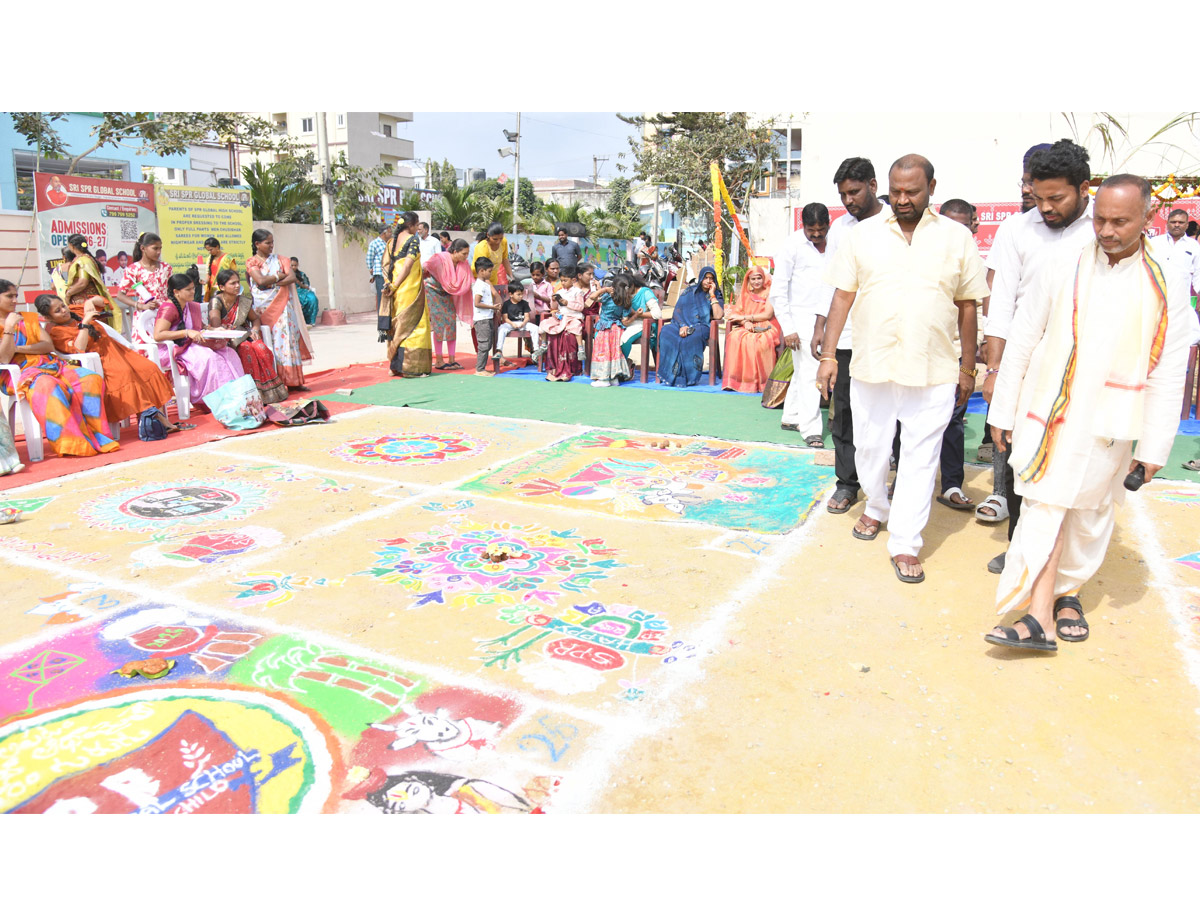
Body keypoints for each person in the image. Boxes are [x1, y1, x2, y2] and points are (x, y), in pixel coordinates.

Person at [985, 175, 1194, 651]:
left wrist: (1156, 445)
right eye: (1100, 218)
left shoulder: (1166, 282)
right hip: (1049, 410)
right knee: (1046, 505)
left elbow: (1168, 367)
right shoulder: (1065, 262)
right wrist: (1003, 410)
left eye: (1121, 221)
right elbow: (1022, 337)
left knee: (1090, 513)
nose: (1106, 230)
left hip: (1112, 422)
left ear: (1147, 219)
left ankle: (1067, 594)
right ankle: (1038, 613)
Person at [818, 154, 987, 584]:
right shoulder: (862, 236)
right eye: (895, 191)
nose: (902, 199)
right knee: (871, 449)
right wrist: (826, 357)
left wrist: (968, 368)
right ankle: (876, 506)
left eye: (912, 191)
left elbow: (969, 305)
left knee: (920, 457)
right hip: (872, 364)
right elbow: (842, 296)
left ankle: (906, 541)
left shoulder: (956, 238)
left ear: (932, 186)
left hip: (934, 368)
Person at [978, 140, 1095, 574]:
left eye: (1056, 198)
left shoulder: (1099, 229)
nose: (1044, 207)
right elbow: (1002, 306)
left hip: (1082, 368)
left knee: (1073, 466)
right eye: (1037, 196)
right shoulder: (1016, 230)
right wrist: (994, 369)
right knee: (1016, 456)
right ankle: (1019, 549)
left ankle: (1063, 564)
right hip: (1025, 365)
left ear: (1083, 188)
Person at [814, 158, 887, 514]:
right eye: (843, 195)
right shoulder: (841, 229)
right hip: (845, 340)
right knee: (842, 414)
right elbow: (832, 284)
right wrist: (820, 327)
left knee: (889, 415)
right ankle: (847, 483)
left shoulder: (897, 222)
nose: (849, 200)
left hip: (885, 338)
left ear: (872, 185)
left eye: (854, 192)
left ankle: (895, 482)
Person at [0, 282, 118, 458]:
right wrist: (9, 329)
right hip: (19, 374)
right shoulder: (10, 323)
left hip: (51, 365)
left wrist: (17, 349)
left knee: (90, 379)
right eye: (10, 296)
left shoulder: (26, 318)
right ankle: (71, 443)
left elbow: (47, 345)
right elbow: (3, 358)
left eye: (16, 295)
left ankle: (98, 436)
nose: (15, 300)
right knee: (48, 386)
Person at [37, 294, 184, 433]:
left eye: (63, 306)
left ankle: (151, 419)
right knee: (125, 374)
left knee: (148, 368)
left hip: (116, 350)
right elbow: (78, 349)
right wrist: (85, 323)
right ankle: (157, 421)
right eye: (57, 311)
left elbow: (103, 301)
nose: (64, 311)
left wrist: (90, 302)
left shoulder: (76, 311)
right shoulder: (57, 332)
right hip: (98, 360)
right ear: (48, 317)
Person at [770, 202, 831, 447]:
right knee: (810, 373)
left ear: (829, 224)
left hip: (829, 318)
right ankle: (811, 429)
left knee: (803, 370)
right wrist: (788, 327)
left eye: (821, 230)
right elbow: (779, 290)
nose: (816, 235)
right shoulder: (792, 245)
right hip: (801, 321)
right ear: (802, 226)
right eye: (811, 230)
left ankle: (792, 415)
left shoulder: (836, 242)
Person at [153, 271, 245, 406]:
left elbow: (200, 327)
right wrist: (186, 332)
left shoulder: (190, 305)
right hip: (174, 348)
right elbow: (158, 335)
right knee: (210, 357)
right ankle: (213, 400)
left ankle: (237, 396)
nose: (192, 292)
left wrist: (216, 330)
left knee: (229, 353)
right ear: (176, 292)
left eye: (193, 288)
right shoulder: (168, 308)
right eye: (188, 289)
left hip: (192, 344)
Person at [245, 229, 314, 388]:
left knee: (288, 340)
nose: (271, 246)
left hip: (284, 307)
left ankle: (293, 381)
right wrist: (279, 276)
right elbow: (260, 280)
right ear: (257, 244)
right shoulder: (252, 262)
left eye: (272, 242)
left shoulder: (281, 259)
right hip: (264, 308)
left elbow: (292, 277)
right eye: (267, 243)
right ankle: (276, 382)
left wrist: (273, 282)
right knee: (271, 343)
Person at [209, 269, 288, 404]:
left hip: (244, 333)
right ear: (222, 287)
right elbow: (216, 325)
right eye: (232, 283)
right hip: (227, 339)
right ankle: (252, 393)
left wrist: (255, 329)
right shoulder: (216, 301)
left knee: (261, 347)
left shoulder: (243, 301)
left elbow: (255, 319)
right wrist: (225, 329)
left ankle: (271, 392)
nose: (237, 286)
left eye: (238, 282)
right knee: (246, 348)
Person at [376, 213, 431, 378]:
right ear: (412, 225)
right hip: (409, 289)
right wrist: (395, 285)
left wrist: (389, 285)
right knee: (415, 326)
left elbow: (385, 265)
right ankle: (412, 368)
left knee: (397, 326)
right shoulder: (413, 240)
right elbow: (407, 266)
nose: (417, 229)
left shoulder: (392, 242)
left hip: (395, 290)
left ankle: (395, 366)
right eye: (417, 226)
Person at [658, 266, 722, 387]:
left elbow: (718, 315)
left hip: (701, 326)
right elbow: (677, 312)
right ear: (701, 278)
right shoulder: (689, 291)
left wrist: (712, 295)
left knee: (691, 337)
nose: (708, 281)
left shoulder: (717, 294)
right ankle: (670, 374)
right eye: (706, 278)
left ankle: (688, 377)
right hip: (681, 324)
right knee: (666, 331)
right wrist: (683, 325)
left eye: (711, 278)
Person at [722, 265, 780, 394]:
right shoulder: (746, 295)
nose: (756, 282)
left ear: (763, 278)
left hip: (767, 327)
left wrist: (746, 318)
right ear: (748, 281)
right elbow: (735, 314)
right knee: (735, 337)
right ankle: (738, 381)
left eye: (759, 278)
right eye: (753, 279)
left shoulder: (769, 292)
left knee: (758, 341)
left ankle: (759, 382)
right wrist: (745, 322)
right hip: (748, 325)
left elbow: (767, 315)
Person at [424, 237, 474, 370]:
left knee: (451, 323)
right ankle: (439, 360)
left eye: (467, 254)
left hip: (447, 294)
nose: (466, 257)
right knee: (439, 324)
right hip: (433, 291)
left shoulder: (463, 264)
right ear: (455, 251)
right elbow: (425, 268)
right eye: (463, 254)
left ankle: (452, 360)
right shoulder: (439, 258)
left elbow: (470, 281)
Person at [62, 234, 127, 333]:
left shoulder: (83, 261)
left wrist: (68, 294)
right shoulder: (85, 259)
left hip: (86, 304)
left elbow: (82, 282)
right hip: (83, 303)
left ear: (72, 246)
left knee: (88, 332)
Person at [538, 267, 586, 382]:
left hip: (574, 317)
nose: (563, 283)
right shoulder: (559, 292)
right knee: (546, 324)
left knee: (568, 333)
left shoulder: (578, 292)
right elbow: (554, 308)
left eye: (565, 280)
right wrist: (554, 301)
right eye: (562, 280)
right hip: (561, 318)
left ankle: (580, 350)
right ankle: (544, 347)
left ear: (573, 280)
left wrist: (567, 303)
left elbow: (580, 307)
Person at [589, 274, 633, 387]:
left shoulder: (608, 296)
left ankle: (603, 379)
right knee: (614, 354)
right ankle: (614, 378)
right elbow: (624, 320)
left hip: (605, 329)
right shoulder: (626, 300)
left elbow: (592, 297)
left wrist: (603, 289)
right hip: (617, 329)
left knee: (603, 352)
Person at [116, 232, 171, 319]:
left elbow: (172, 291)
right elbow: (120, 295)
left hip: (164, 314)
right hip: (144, 316)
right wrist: (141, 306)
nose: (158, 252)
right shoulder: (133, 269)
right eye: (155, 248)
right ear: (143, 248)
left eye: (160, 248)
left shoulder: (166, 268)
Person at [1149, 208, 1200, 296]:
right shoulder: (1155, 242)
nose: (1177, 225)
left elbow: (1198, 274)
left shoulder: (1193, 245)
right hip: (1157, 296)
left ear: (1187, 225)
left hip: (1183, 298)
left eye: (1181, 222)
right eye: (1173, 222)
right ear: (1167, 223)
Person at [619, 273, 662, 363]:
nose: (625, 293)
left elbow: (657, 314)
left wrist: (637, 314)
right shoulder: (622, 293)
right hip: (625, 322)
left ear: (633, 285)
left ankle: (622, 365)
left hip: (642, 324)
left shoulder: (645, 293)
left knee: (624, 340)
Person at [472, 257, 501, 376]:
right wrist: (492, 307)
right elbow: (477, 303)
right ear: (481, 271)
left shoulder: (485, 284)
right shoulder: (479, 285)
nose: (491, 273)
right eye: (489, 271)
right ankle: (479, 369)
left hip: (487, 317)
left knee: (487, 344)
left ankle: (481, 368)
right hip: (481, 319)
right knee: (484, 344)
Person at [472, 224, 514, 307]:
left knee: (492, 306)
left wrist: (511, 277)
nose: (498, 241)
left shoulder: (504, 242)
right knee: (481, 305)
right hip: (479, 279)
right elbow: (483, 274)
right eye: (495, 239)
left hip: (493, 279)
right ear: (488, 235)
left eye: (500, 238)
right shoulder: (482, 247)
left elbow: (504, 259)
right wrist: (495, 294)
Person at [496, 282, 539, 361]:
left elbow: (527, 317)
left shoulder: (524, 303)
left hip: (523, 323)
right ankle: (499, 350)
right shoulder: (506, 304)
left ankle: (536, 350)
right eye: (518, 294)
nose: (521, 296)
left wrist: (523, 323)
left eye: (522, 294)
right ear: (511, 294)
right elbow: (505, 318)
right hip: (510, 323)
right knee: (501, 329)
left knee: (535, 328)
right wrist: (512, 324)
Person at [201, 238, 238, 304]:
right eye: (208, 251)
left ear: (217, 247)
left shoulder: (228, 258)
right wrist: (205, 281)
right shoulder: (209, 259)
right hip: (212, 291)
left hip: (225, 290)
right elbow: (208, 274)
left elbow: (235, 275)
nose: (209, 252)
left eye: (211, 250)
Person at [290, 256, 320, 325]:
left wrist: (298, 283)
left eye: (295, 265)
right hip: (292, 292)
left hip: (303, 291)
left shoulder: (302, 275)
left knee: (313, 298)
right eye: (292, 265)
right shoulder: (286, 274)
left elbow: (307, 286)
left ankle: (311, 321)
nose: (294, 267)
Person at [366, 226, 389, 312]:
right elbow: (369, 258)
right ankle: (381, 319)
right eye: (389, 232)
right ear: (384, 233)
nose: (391, 234)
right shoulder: (374, 243)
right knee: (381, 297)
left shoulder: (388, 243)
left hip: (389, 275)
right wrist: (371, 269)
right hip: (380, 274)